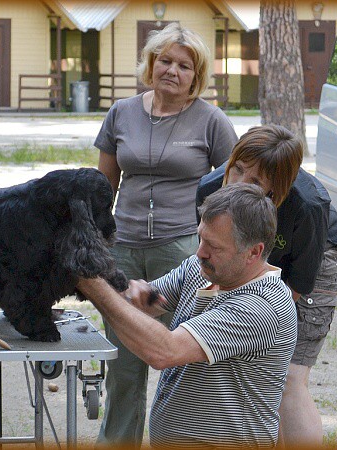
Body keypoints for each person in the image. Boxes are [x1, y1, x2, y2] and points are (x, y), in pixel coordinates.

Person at [94, 22, 238, 447]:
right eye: (165, 61)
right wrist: (99, 248)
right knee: (122, 363)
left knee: (184, 361)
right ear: (151, 63)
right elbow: (102, 189)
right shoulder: (121, 112)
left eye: (184, 65)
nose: (172, 71)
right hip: (123, 251)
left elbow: (233, 195)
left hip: (184, 254)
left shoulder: (212, 121)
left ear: (197, 75)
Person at [77, 183, 297, 449]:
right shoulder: (201, 269)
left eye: (213, 246)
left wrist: (87, 279)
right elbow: (138, 308)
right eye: (200, 237)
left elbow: (163, 351)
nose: (200, 252)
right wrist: (131, 295)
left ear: (254, 252)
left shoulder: (262, 305)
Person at [196, 125, 337, 446]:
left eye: (255, 182)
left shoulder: (308, 205)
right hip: (256, 257)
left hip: (317, 256)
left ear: (277, 189)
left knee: (289, 380)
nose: (239, 184)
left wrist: (260, 329)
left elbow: (292, 292)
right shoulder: (209, 190)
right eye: (237, 170)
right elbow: (210, 260)